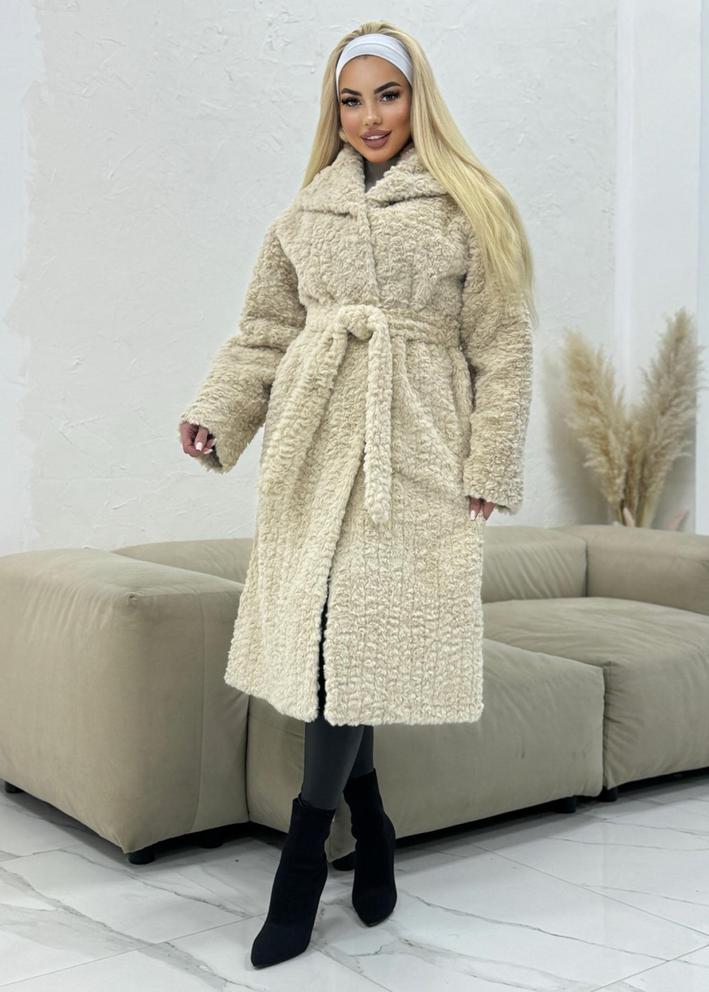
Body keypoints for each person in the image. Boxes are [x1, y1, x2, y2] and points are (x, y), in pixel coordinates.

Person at [178, 22, 535, 970]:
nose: (370, 116)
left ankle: (303, 858)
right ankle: (369, 824)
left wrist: (488, 465)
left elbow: (501, 346)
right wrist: (219, 412)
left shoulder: (470, 203)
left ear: (419, 99)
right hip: (315, 443)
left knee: (355, 643)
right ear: (331, 112)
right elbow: (265, 330)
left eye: (388, 94)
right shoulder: (306, 213)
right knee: (332, 643)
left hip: (414, 446)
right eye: (351, 99)